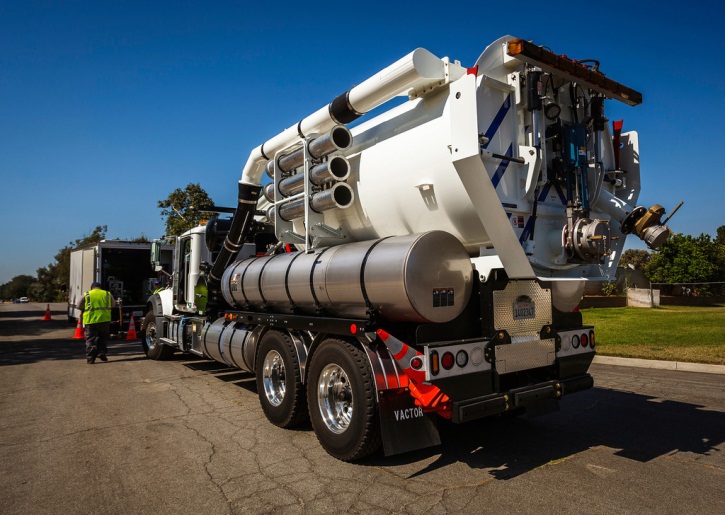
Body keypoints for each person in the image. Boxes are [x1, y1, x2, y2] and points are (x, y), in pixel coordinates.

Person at [75, 281, 114, 364]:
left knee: (91, 339)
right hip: (104, 320)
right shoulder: (107, 294)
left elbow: (78, 305)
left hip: (90, 320)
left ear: (92, 287)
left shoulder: (87, 294)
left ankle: (90, 358)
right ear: (100, 287)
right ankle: (102, 353)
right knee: (103, 337)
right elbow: (113, 305)